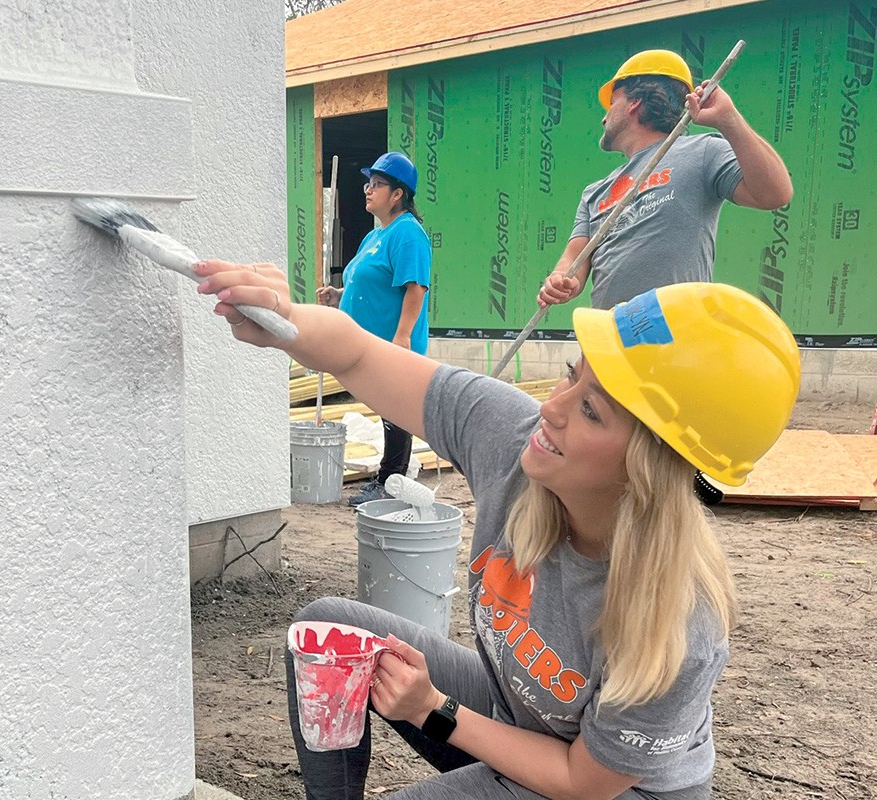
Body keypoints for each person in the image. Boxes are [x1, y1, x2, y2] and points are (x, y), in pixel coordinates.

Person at [193, 260, 800, 800]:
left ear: (649, 470)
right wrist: (286, 318)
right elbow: (358, 355)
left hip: (609, 789)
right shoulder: (518, 442)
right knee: (329, 630)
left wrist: (436, 709)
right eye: (572, 375)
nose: (553, 408)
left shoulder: (677, 617)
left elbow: (582, 782)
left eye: (591, 409)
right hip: (520, 717)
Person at [538, 50, 794, 311]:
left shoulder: (703, 152)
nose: (604, 117)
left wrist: (728, 119)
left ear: (634, 102)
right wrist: (560, 279)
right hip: (609, 344)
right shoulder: (594, 193)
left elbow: (775, 193)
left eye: (612, 103)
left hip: (676, 340)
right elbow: (574, 260)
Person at [316, 151, 432, 506]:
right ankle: (388, 479)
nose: (368, 189)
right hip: (369, 344)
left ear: (398, 194)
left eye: (378, 184)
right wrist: (338, 295)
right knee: (387, 409)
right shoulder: (375, 236)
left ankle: (390, 481)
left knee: (397, 411)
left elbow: (416, 286)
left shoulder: (408, 234)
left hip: (390, 343)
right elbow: (364, 283)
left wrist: (402, 336)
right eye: (369, 183)